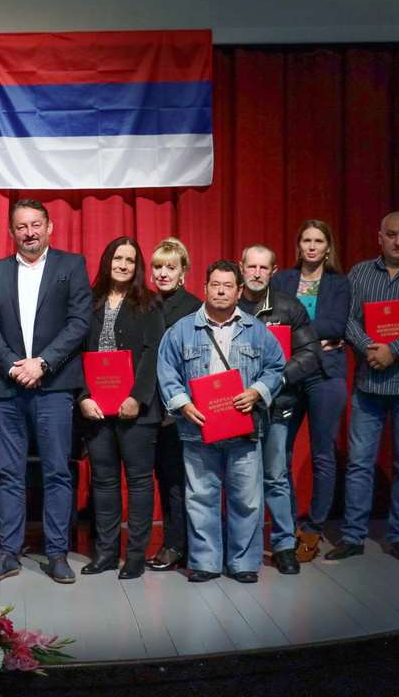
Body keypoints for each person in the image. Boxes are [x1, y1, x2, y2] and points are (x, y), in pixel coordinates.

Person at [0, 199, 92, 584]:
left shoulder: (71, 266)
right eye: (21, 226)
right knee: (8, 473)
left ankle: (56, 553)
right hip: (9, 387)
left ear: (49, 227)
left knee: (57, 471)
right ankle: (9, 553)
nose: (29, 233)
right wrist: (14, 365)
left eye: (35, 225)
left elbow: (79, 322)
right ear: (11, 232)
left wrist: (42, 363)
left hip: (54, 386)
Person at [156, 260, 285, 584]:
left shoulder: (257, 330)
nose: (221, 291)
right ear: (205, 288)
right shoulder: (181, 330)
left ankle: (243, 562)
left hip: (243, 429)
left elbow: (276, 367)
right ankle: (205, 561)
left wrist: (257, 392)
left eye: (228, 286)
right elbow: (166, 370)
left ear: (239, 291)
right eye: (215, 285)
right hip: (197, 429)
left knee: (246, 499)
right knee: (200, 497)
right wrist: (182, 404)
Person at [328, 211, 399, 563]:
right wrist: (370, 348)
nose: (398, 241)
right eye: (391, 235)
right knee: (359, 464)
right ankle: (353, 536)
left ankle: (398, 535)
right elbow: (347, 319)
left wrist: (393, 349)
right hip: (369, 382)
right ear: (379, 238)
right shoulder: (360, 272)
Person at [76, 237, 164, 580]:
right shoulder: (88, 302)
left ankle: (136, 556)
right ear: (107, 261)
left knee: (139, 482)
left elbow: (153, 353)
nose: (123, 265)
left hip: (136, 410)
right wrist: (83, 396)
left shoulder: (150, 303)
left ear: (137, 266)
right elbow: (75, 352)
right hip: (96, 410)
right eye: (117, 258)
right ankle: (106, 553)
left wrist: (137, 398)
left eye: (130, 260)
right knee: (104, 481)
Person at [238, 245, 322, 575]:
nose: (256, 273)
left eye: (263, 268)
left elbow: (310, 354)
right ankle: (244, 547)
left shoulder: (289, 307)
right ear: (241, 267)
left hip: (277, 406)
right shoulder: (227, 303)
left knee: (275, 476)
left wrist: (273, 381)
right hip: (236, 407)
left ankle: (285, 545)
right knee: (241, 480)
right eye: (251, 267)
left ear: (273, 271)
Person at [271, 220, 351, 562]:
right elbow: (274, 322)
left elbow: (338, 324)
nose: (313, 246)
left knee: (322, 455)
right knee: (281, 454)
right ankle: (287, 527)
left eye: (319, 240)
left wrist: (297, 330)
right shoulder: (282, 281)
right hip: (289, 374)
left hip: (326, 375)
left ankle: (314, 529)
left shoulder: (339, 283)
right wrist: (316, 337)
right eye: (307, 240)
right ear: (299, 245)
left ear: (328, 246)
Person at [147, 237, 201, 572]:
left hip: (183, 407)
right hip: (151, 406)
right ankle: (174, 542)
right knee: (166, 479)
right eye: (158, 267)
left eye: (170, 267)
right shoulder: (145, 304)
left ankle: (183, 545)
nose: (163, 273)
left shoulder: (194, 307)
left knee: (183, 481)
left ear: (183, 272)